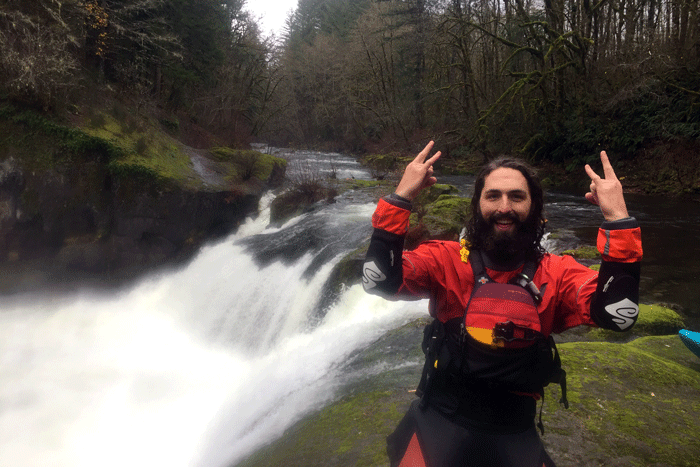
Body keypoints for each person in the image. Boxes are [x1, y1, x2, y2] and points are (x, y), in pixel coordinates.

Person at [362, 141, 642, 467]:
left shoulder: (559, 273)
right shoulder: (445, 259)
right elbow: (378, 281)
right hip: (440, 417)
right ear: (477, 203)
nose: (504, 207)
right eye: (493, 195)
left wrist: (618, 218)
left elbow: (617, 316)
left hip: (514, 430)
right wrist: (401, 198)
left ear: (535, 205)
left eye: (517, 197)